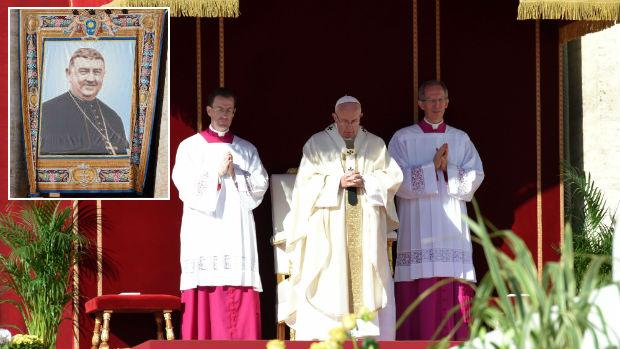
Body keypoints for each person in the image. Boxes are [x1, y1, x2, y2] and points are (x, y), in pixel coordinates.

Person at [280, 96, 403, 340]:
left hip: (366, 230)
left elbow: (393, 178)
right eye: (344, 121)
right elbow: (304, 186)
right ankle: (328, 335)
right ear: (334, 118)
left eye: (354, 121)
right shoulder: (317, 144)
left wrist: (367, 181)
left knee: (367, 279)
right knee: (329, 274)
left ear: (361, 117)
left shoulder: (375, 145)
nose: (349, 126)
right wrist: (336, 181)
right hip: (329, 231)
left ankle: (366, 334)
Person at [388, 80, 484, 340]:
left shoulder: (460, 139)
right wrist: (431, 168)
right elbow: (394, 180)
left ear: (447, 103)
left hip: (452, 222)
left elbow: (476, 176)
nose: (436, 105)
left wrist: (447, 170)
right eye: (430, 100)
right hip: (416, 223)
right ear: (420, 104)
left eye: (441, 100)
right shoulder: (403, 138)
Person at [171, 87, 269, 340]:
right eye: (220, 109)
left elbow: (260, 185)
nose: (224, 115)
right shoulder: (190, 147)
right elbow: (183, 184)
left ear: (234, 112)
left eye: (229, 110)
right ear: (209, 111)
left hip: (236, 228)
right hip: (204, 229)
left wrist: (236, 174)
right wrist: (214, 173)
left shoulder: (247, 149)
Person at [39, 47, 129, 155]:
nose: (91, 78)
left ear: (103, 75)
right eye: (83, 72)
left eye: (97, 72)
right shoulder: (45, 113)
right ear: (68, 74)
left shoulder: (113, 118)